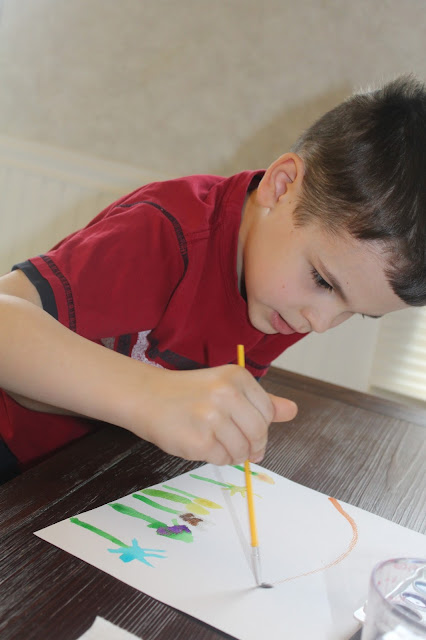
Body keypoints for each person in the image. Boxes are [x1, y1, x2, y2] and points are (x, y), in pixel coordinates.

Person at [0, 74, 425, 482]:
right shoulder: (163, 234)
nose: (321, 323)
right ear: (281, 188)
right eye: (323, 281)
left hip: (90, 469)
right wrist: (150, 395)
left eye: (355, 312)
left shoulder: (281, 298)